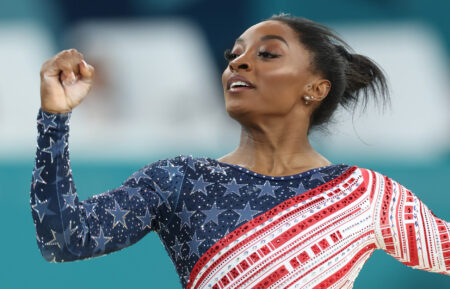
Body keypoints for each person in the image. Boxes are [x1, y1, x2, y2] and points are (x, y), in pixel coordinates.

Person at [30, 13, 449, 289]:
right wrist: (54, 119)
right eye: (234, 56)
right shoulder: (179, 180)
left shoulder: (364, 194)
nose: (238, 64)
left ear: (315, 88)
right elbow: (65, 240)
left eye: (267, 54)